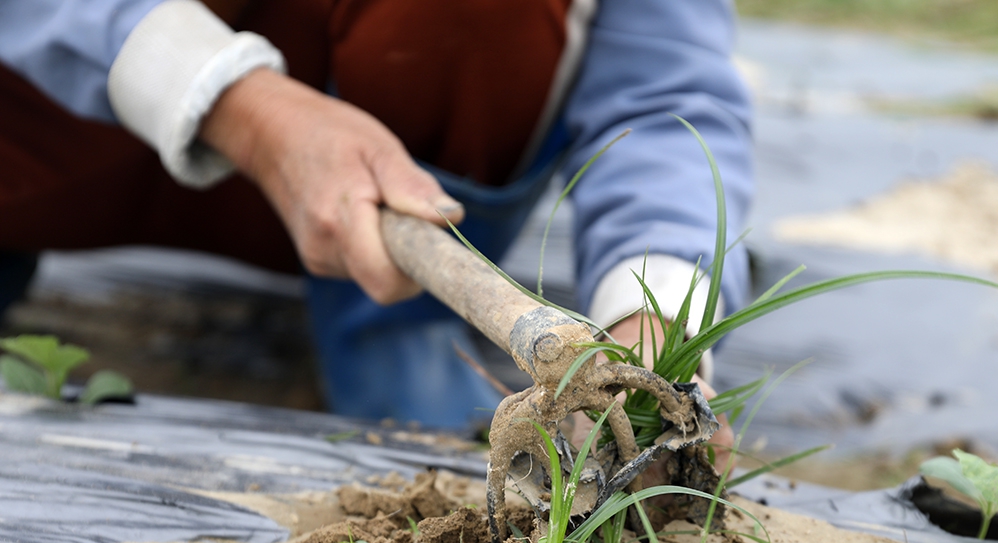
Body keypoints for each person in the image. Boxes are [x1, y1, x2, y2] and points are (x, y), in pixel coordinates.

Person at [0, 0, 754, 433]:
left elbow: (664, 97)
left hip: (391, 185)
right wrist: (245, 109)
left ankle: (388, 325)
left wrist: (651, 324)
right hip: (63, 116)